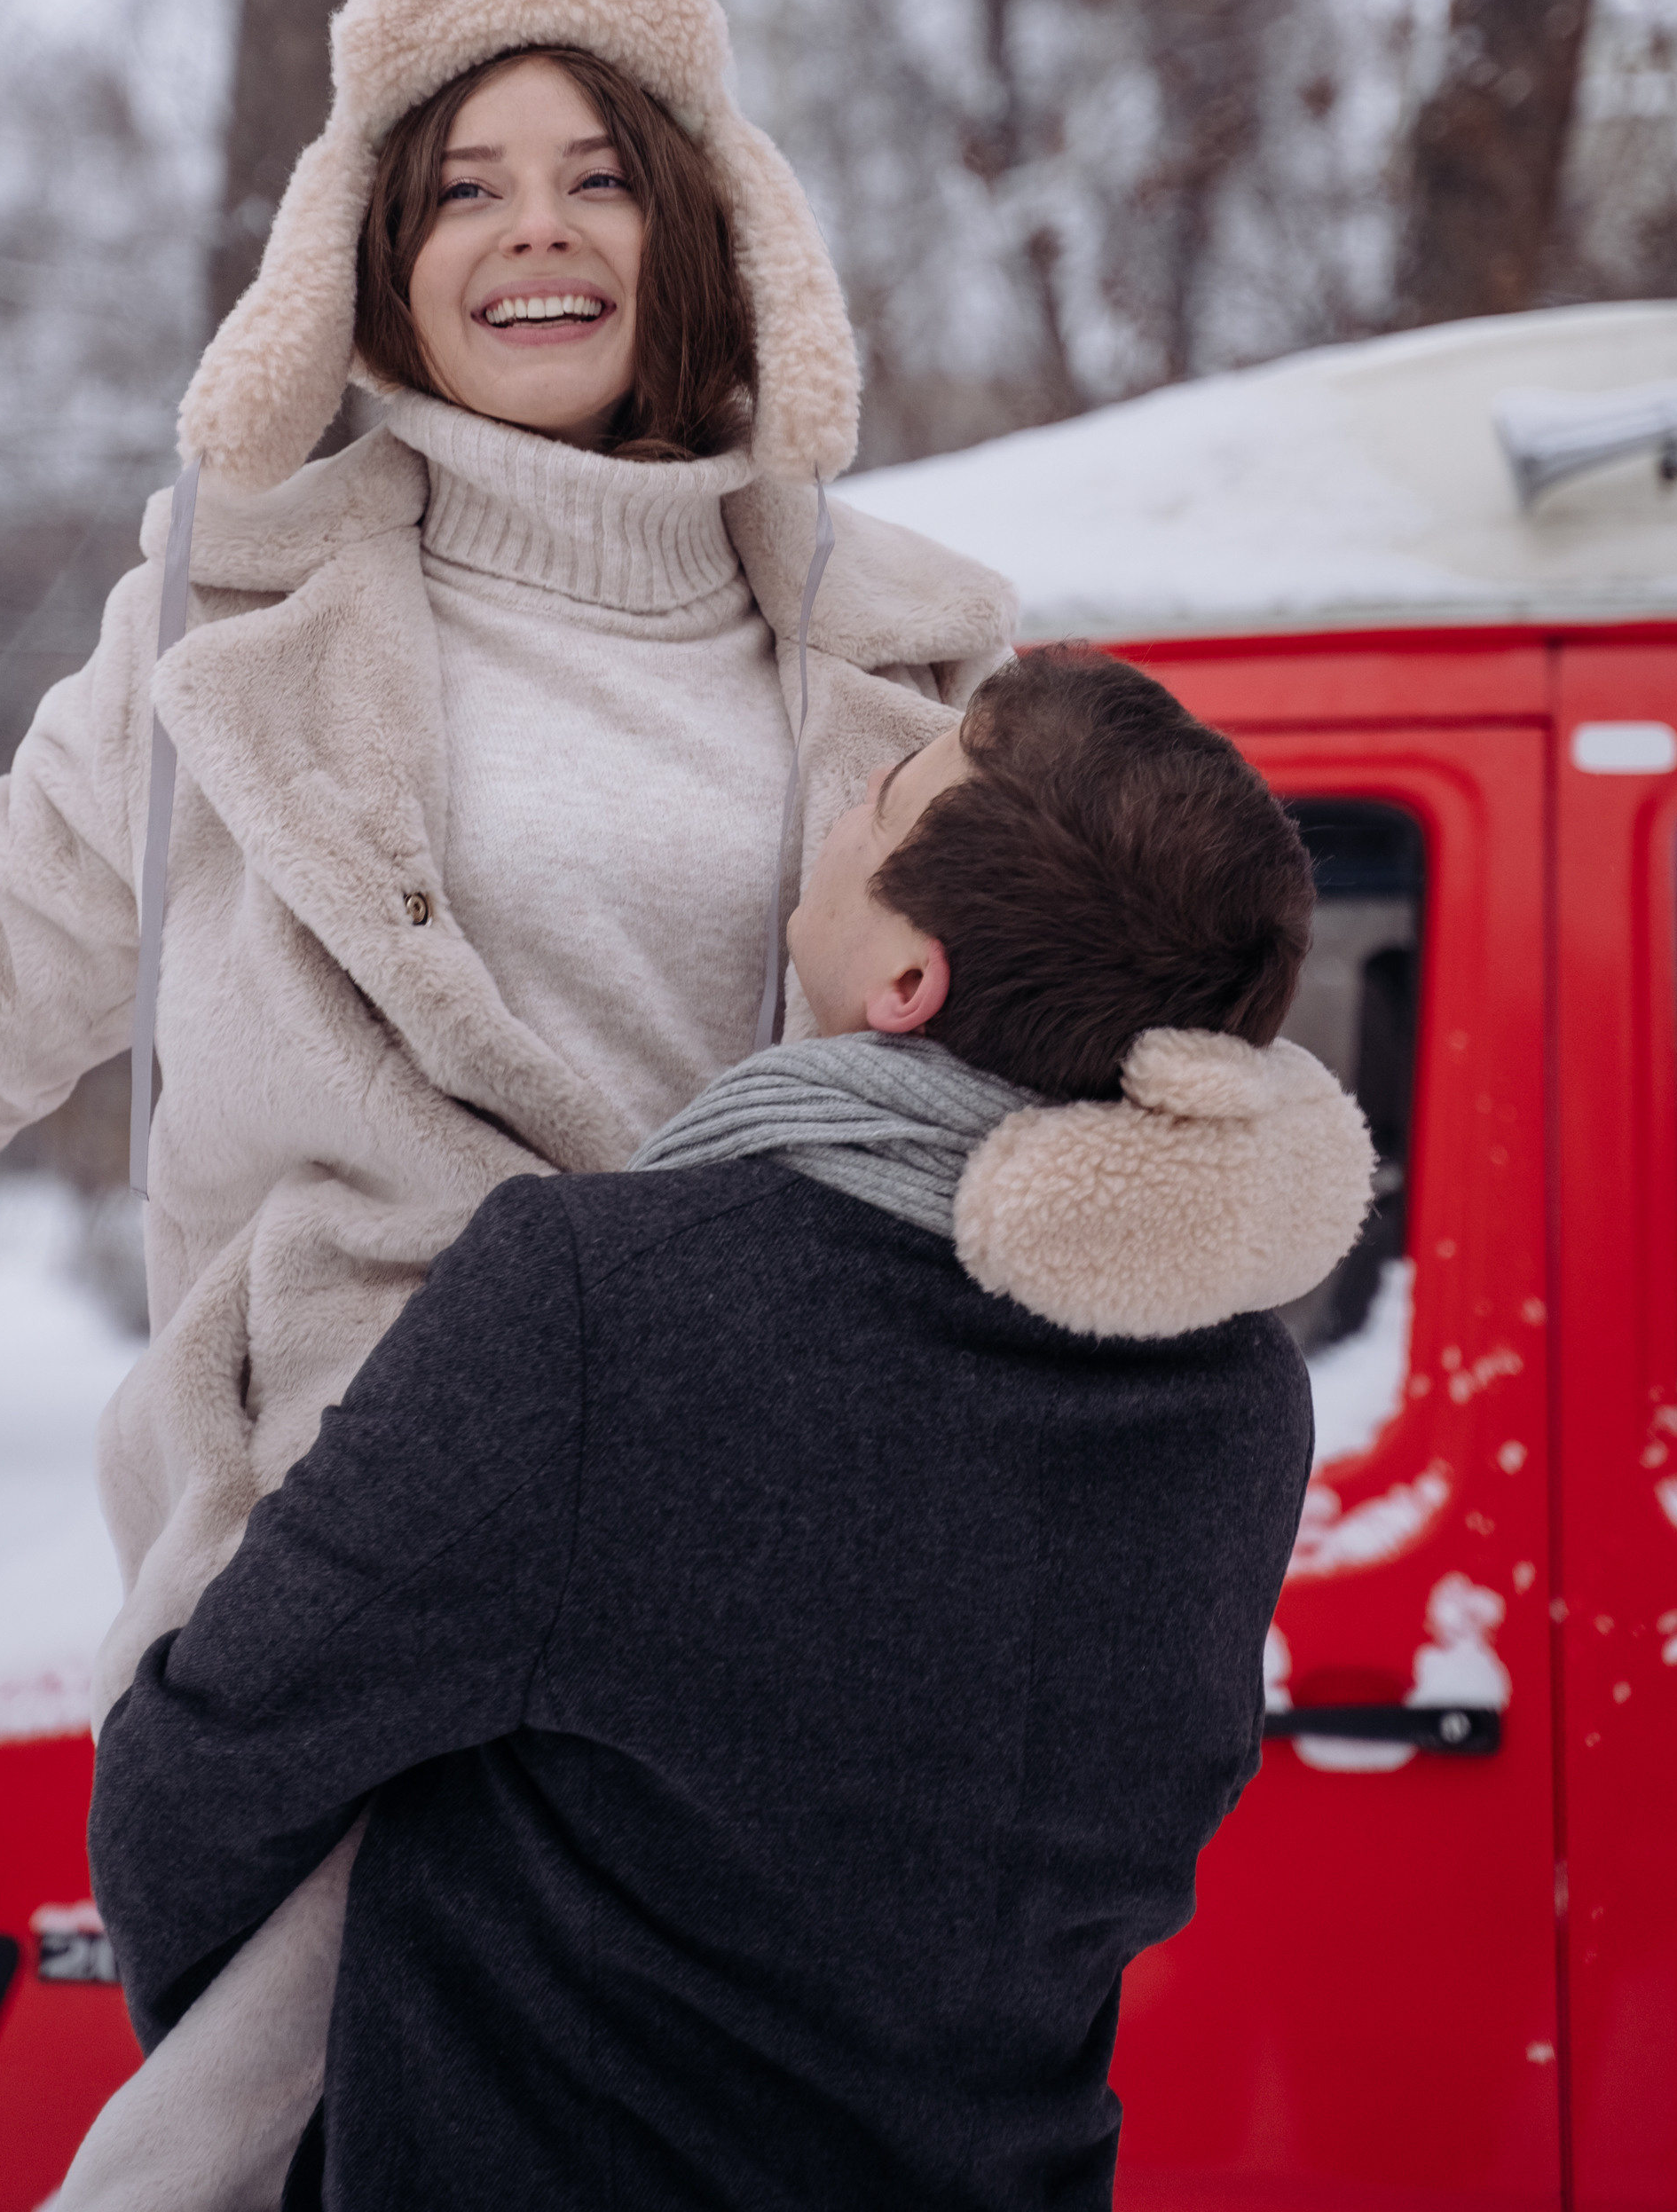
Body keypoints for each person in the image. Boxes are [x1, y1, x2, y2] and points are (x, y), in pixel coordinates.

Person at [0, 0, 1350, 2209]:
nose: (531, 228)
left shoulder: (910, 656)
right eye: (462, 184)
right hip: (361, 1608)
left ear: (703, 225)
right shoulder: (236, 638)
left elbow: (1100, 1044)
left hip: (768, 1645)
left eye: (597, 173)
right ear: (364, 255)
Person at [90, 648, 1372, 2210]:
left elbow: (204, 1769)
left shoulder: (602, 1308)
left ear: (909, 987)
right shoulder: (1235, 1398)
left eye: (889, 798)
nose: (849, 796)